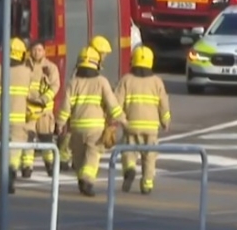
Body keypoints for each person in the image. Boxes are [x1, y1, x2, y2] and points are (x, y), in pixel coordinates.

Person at [58, 46, 127, 197]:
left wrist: (60, 123)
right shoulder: (101, 81)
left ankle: (81, 179)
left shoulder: (73, 82)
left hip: (76, 127)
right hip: (95, 128)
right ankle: (87, 180)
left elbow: (65, 105)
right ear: (96, 64)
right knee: (93, 155)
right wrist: (122, 119)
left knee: (78, 156)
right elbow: (112, 103)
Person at [0, 38, 34, 195]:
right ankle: (11, 172)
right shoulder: (27, 72)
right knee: (14, 150)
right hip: (18, 119)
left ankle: (5, 176)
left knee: (0, 149)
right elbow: (32, 96)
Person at [116, 45, 171, 195]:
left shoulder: (126, 80)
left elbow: (117, 103)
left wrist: (120, 120)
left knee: (128, 151)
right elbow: (163, 104)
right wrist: (165, 120)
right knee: (150, 156)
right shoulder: (157, 82)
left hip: (131, 125)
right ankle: (147, 184)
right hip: (151, 127)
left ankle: (130, 169)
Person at [59, 35, 114, 171]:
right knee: (86, 147)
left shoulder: (85, 61)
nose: (105, 56)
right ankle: (65, 158)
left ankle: (67, 159)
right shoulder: (91, 65)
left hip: (79, 117)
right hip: (88, 118)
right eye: (104, 53)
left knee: (75, 138)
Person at [24, 40, 61, 177]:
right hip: (29, 110)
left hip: (45, 111)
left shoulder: (51, 68)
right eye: (34, 50)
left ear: (44, 52)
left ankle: (49, 165)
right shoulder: (25, 66)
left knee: (46, 139)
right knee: (28, 138)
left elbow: (55, 86)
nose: (37, 52)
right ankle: (27, 167)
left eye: (40, 50)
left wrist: (44, 99)